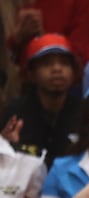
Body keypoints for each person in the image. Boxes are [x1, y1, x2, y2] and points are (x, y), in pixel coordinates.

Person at [0, 33, 82, 168]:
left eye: (64, 63)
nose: (57, 69)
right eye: (47, 64)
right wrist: (4, 146)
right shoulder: (15, 113)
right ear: (31, 73)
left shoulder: (85, 112)